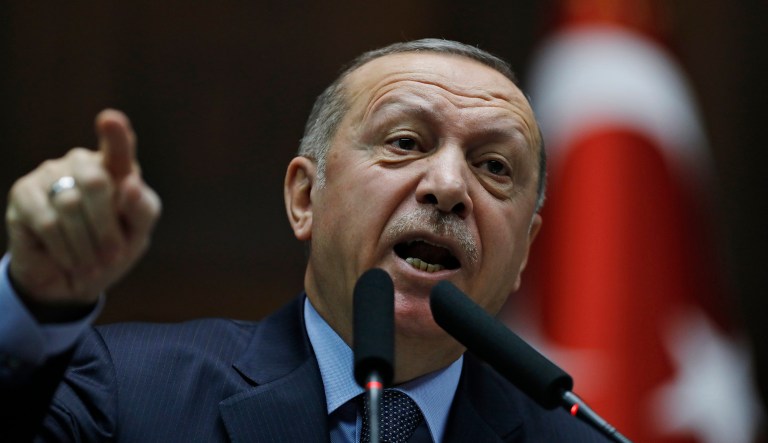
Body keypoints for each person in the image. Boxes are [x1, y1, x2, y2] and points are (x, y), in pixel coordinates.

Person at [0, 39, 611, 442]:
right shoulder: (125, 391)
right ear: (303, 199)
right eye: (405, 142)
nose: (450, 186)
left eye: (495, 167)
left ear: (527, 249)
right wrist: (33, 306)